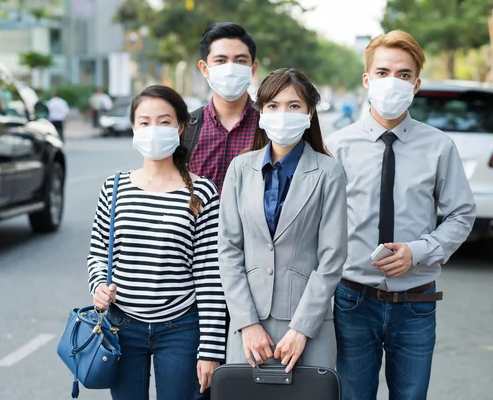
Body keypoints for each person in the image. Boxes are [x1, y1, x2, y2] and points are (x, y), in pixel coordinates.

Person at [325, 30, 476, 400]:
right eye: (382, 72)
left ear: (416, 84)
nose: (392, 82)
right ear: (366, 79)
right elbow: (319, 223)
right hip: (352, 301)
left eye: (404, 74)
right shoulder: (337, 146)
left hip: (416, 303)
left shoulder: (439, 147)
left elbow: (461, 213)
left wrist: (419, 250)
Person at [87, 85, 227, 400]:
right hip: (121, 326)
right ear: (134, 128)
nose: (154, 130)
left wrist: (211, 349)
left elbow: (209, 275)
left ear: (180, 127)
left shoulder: (201, 192)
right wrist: (98, 285)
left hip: (181, 328)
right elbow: (98, 254)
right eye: (145, 122)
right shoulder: (115, 187)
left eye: (164, 122)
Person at [219, 68, 348, 372]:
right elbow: (228, 250)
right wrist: (247, 324)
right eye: (273, 106)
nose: (282, 114)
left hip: (308, 327)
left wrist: (302, 328)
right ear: (261, 113)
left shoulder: (328, 172)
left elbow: (331, 259)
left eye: (294, 106)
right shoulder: (240, 168)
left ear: (309, 112)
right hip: (248, 328)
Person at [184, 22, 259, 195]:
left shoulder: (270, 126)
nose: (231, 68)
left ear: (252, 68)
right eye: (220, 61)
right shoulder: (185, 129)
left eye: (240, 61)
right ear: (204, 69)